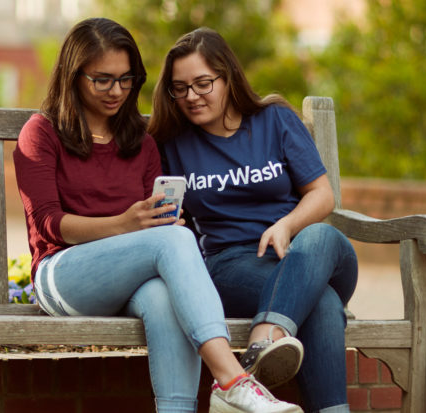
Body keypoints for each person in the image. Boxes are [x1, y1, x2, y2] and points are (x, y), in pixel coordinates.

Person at [13, 18, 301, 413]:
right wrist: (127, 225)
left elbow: (157, 227)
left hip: (130, 281)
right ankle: (232, 380)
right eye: (102, 80)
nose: (116, 91)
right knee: (175, 241)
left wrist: (160, 224)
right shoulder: (42, 132)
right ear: (72, 75)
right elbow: (48, 222)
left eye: (126, 79)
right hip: (62, 275)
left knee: (164, 293)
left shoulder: (142, 143)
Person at [149, 27, 359, 413]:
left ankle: (265, 337)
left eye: (202, 84)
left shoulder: (274, 119)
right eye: (180, 88)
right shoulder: (172, 141)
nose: (191, 97)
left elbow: (322, 194)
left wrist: (286, 226)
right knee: (323, 300)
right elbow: (164, 211)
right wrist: (170, 223)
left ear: (228, 77)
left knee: (322, 237)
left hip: (299, 250)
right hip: (230, 264)